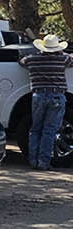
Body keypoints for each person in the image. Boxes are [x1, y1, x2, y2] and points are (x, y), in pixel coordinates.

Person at [19, 33, 72, 170]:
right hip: (56, 96)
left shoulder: (33, 59)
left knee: (35, 129)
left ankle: (33, 161)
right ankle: (44, 162)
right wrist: (62, 52)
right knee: (49, 130)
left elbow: (22, 61)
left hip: (38, 95)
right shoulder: (62, 59)